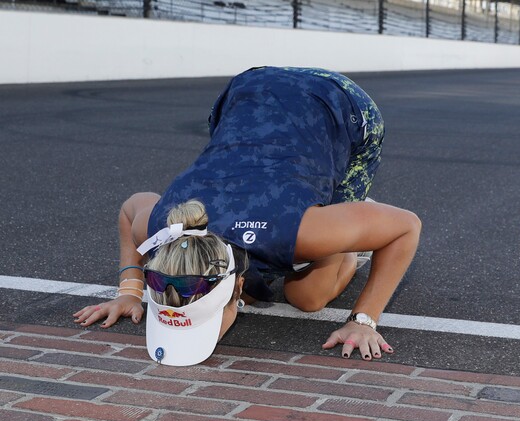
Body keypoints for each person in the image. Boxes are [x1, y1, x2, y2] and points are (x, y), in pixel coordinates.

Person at [73, 66, 421, 366]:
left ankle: (352, 227)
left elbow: (406, 227)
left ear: (237, 283)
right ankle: (339, 225)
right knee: (284, 283)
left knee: (308, 298)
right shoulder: (162, 225)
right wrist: (130, 290)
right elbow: (129, 206)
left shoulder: (301, 232)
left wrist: (364, 321)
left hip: (335, 102)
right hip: (245, 95)